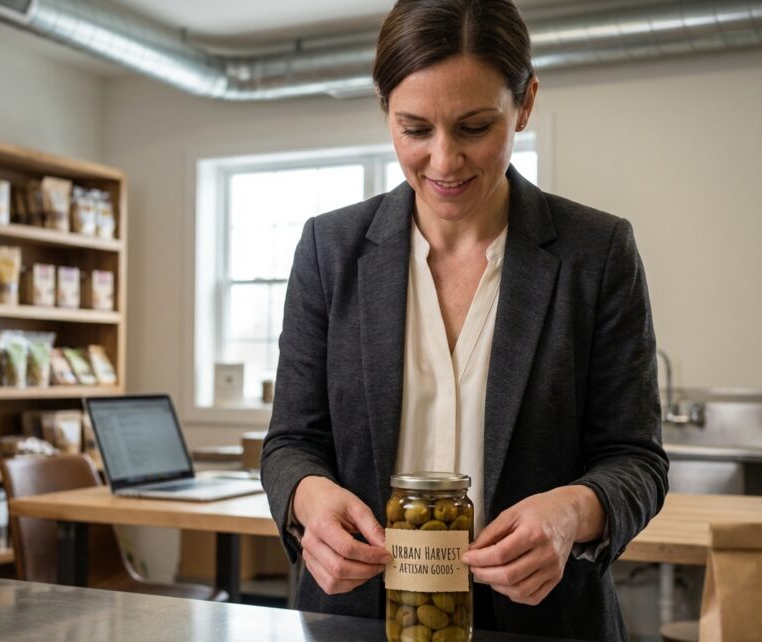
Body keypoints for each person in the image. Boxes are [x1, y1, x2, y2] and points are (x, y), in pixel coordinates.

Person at [260, 0, 669, 639]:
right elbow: (290, 443)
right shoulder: (327, 249)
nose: (444, 162)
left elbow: (635, 460)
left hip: (546, 624)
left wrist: (571, 513)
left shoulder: (598, 252)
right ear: (384, 110)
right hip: (356, 618)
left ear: (525, 104)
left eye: (475, 126)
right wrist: (308, 501)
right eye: (414, 129)